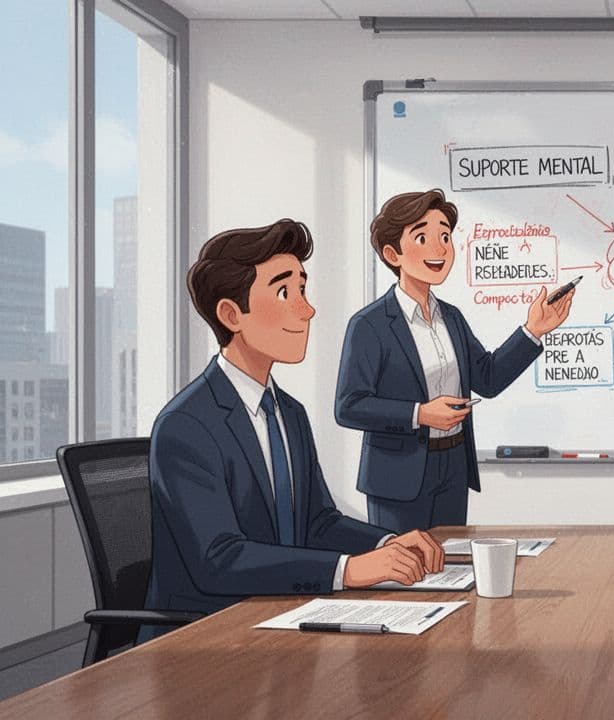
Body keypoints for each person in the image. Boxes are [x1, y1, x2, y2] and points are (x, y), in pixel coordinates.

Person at [141, 220, 443, 642]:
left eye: (303, 290)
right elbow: (219, 560)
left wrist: (385, 543)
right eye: (285, 292)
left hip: (280, 616)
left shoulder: (290, 413)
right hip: (205, 637)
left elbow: (317, 523)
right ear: (232, 314)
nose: (307, 310)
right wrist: (348, 570)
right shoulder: (186, 425)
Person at [336, 189, 574, 532]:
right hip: (398, 477)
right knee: (404, 575)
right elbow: (348, 405)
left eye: (445, 236)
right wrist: (420, 414)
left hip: (453, 464)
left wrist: (533, 329)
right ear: (393, 253)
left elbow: (488, 379)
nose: (439, 248)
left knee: (450, 571)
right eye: (423, 237)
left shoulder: (453, 318)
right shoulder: (369, 325)